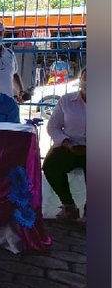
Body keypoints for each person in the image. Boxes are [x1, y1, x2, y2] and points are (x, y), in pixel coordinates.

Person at [43, 68, 86, 222]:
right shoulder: (66, 100)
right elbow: (53, 127)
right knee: (50, 166)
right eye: (86, 78)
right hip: (70, 145)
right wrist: (66, 143)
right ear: (80, 80)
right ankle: (69, 206)